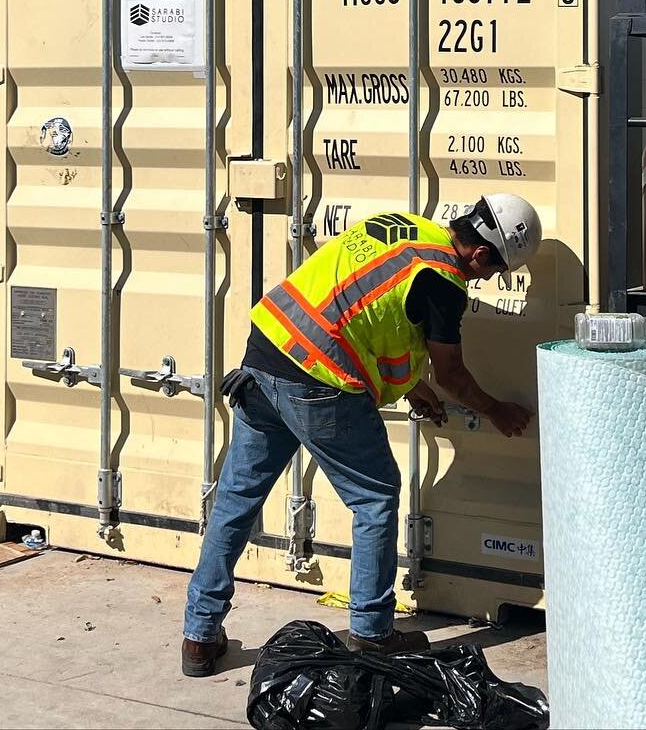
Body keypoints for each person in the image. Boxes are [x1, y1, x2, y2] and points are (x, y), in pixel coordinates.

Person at [181, 193, 542, 678]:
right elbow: (453, 374)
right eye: (493, 269)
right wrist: (497, 410)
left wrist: (412, 384)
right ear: (480, 253)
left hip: (267, 355)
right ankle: (372, 633)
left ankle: (199, 637)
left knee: (236, 501)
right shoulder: (443, 283)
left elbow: (363, 309)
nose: (487, 279)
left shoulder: (407, 228)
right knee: (375, 497)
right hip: (318, 381)